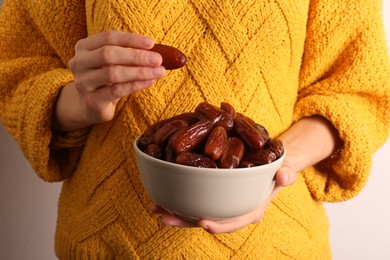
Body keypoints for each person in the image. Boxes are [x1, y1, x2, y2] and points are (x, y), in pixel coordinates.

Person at [0, 0, 389, 258]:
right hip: (108, 244)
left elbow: (356, 91)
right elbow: (17, 73)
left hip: (275, 246)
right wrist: (80, 100)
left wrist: (272, 170)